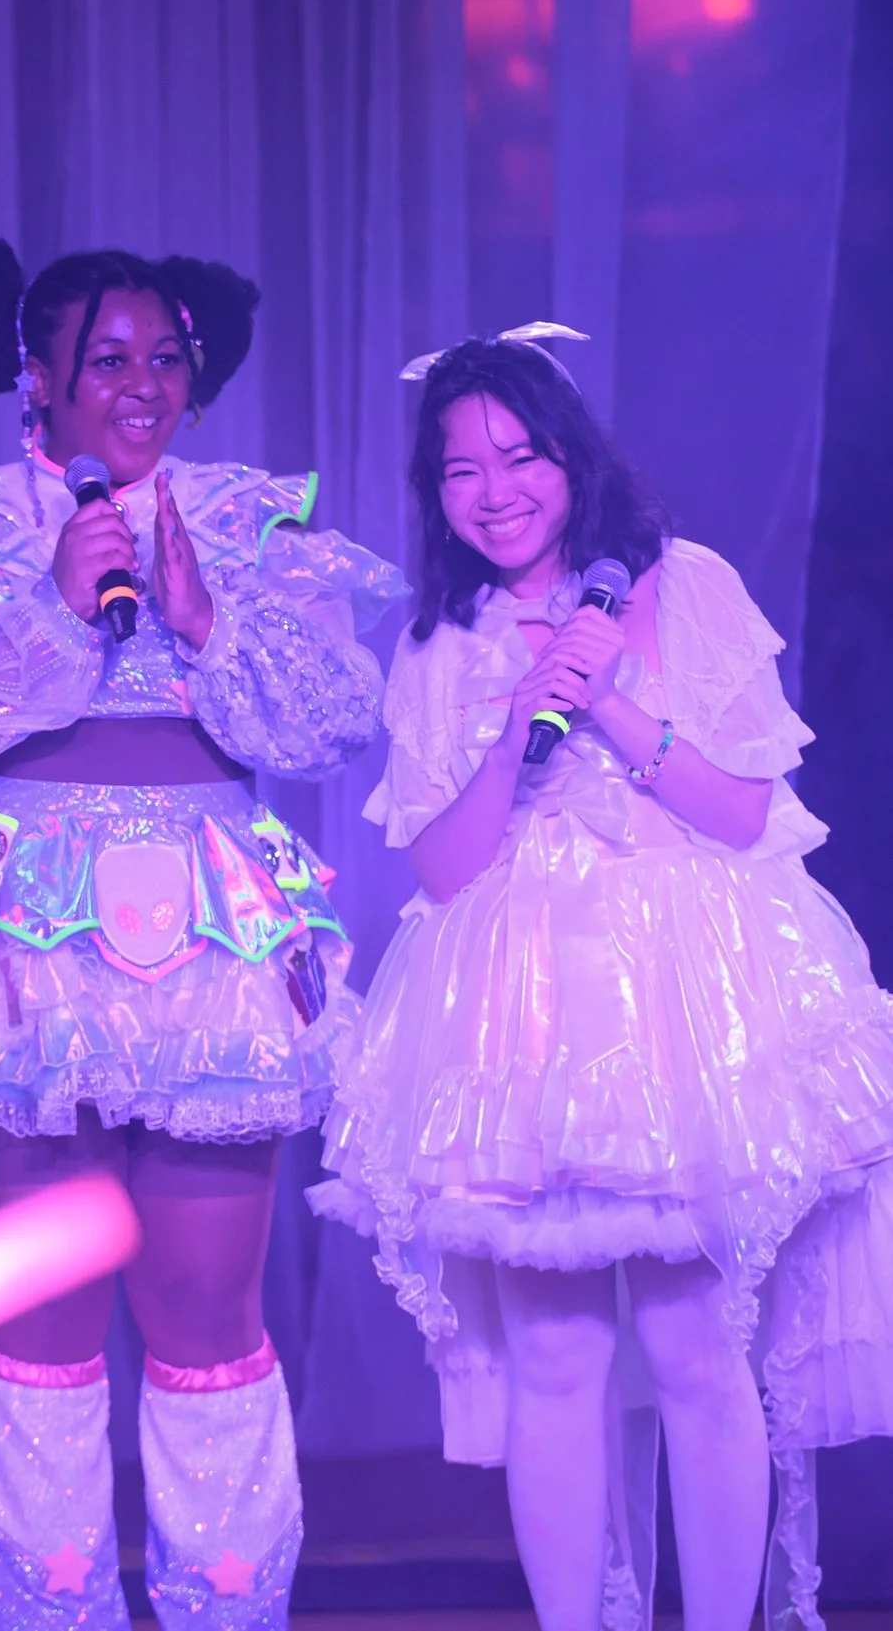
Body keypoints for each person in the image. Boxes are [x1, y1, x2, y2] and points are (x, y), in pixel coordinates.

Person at [0, 241, 403, 1629]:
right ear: (39, 379)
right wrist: (48, 615)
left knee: (208, 1322)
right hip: (18, 942)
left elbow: (329, 724)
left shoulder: (253, 523)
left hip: (212, 931)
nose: (141, 388)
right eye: (107, 360)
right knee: (39, 1326)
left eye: (164, 359)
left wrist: (200, 618)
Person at [312, 330, 893, 1631]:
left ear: (573, 458)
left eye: (519, 455)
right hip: (517, 1012)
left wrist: (615, 700)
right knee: (557, 1360)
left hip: (680, 994)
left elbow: (742, 812)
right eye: (461, 468)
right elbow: (449, 866)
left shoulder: (685, 585)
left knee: (697, 1345)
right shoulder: (438, 638)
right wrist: (520, 721)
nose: (495, 488)